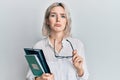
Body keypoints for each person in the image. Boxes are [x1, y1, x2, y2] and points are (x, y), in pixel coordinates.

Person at [26, 2, 89, 80]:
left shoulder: (77, 45)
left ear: (67, 21)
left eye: (63, 16)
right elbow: (30, 77)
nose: (58, 19)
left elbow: (85, 78)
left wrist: (79, 69)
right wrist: (40, 79)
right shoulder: (38, 47)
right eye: (53, 15)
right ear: (47, 21)